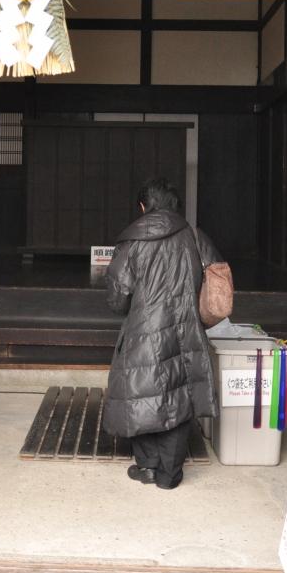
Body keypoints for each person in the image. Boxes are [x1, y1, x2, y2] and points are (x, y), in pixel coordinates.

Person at [101, 177, 222, 490]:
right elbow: (217, 278)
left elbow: (118, 299)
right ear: (175, 206)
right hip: (187, 329)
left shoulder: (131, 241)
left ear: (144, 207)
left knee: (140, 392)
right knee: (180, 396)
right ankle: (170, 474)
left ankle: (148, 467)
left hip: (144, 331)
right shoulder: (194, 235)